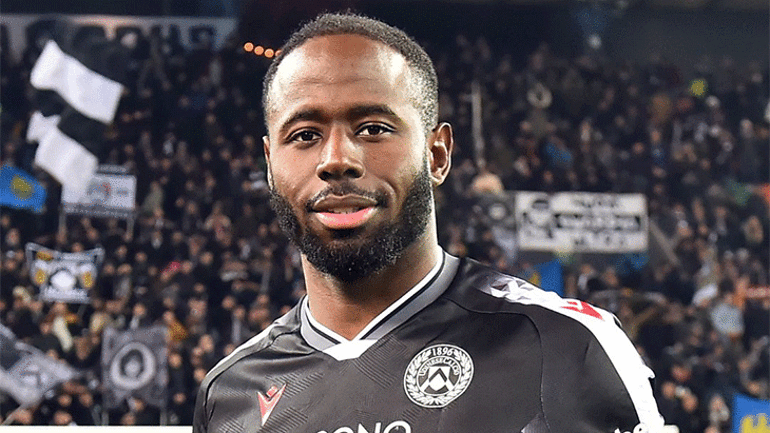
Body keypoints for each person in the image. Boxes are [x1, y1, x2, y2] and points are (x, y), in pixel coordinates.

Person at [193, 12, 664, 433]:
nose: (336, 159)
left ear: (437, 155)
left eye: (373, 128)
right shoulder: (230, 396)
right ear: (270, 164)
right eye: (304, 135)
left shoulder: (565, 347)